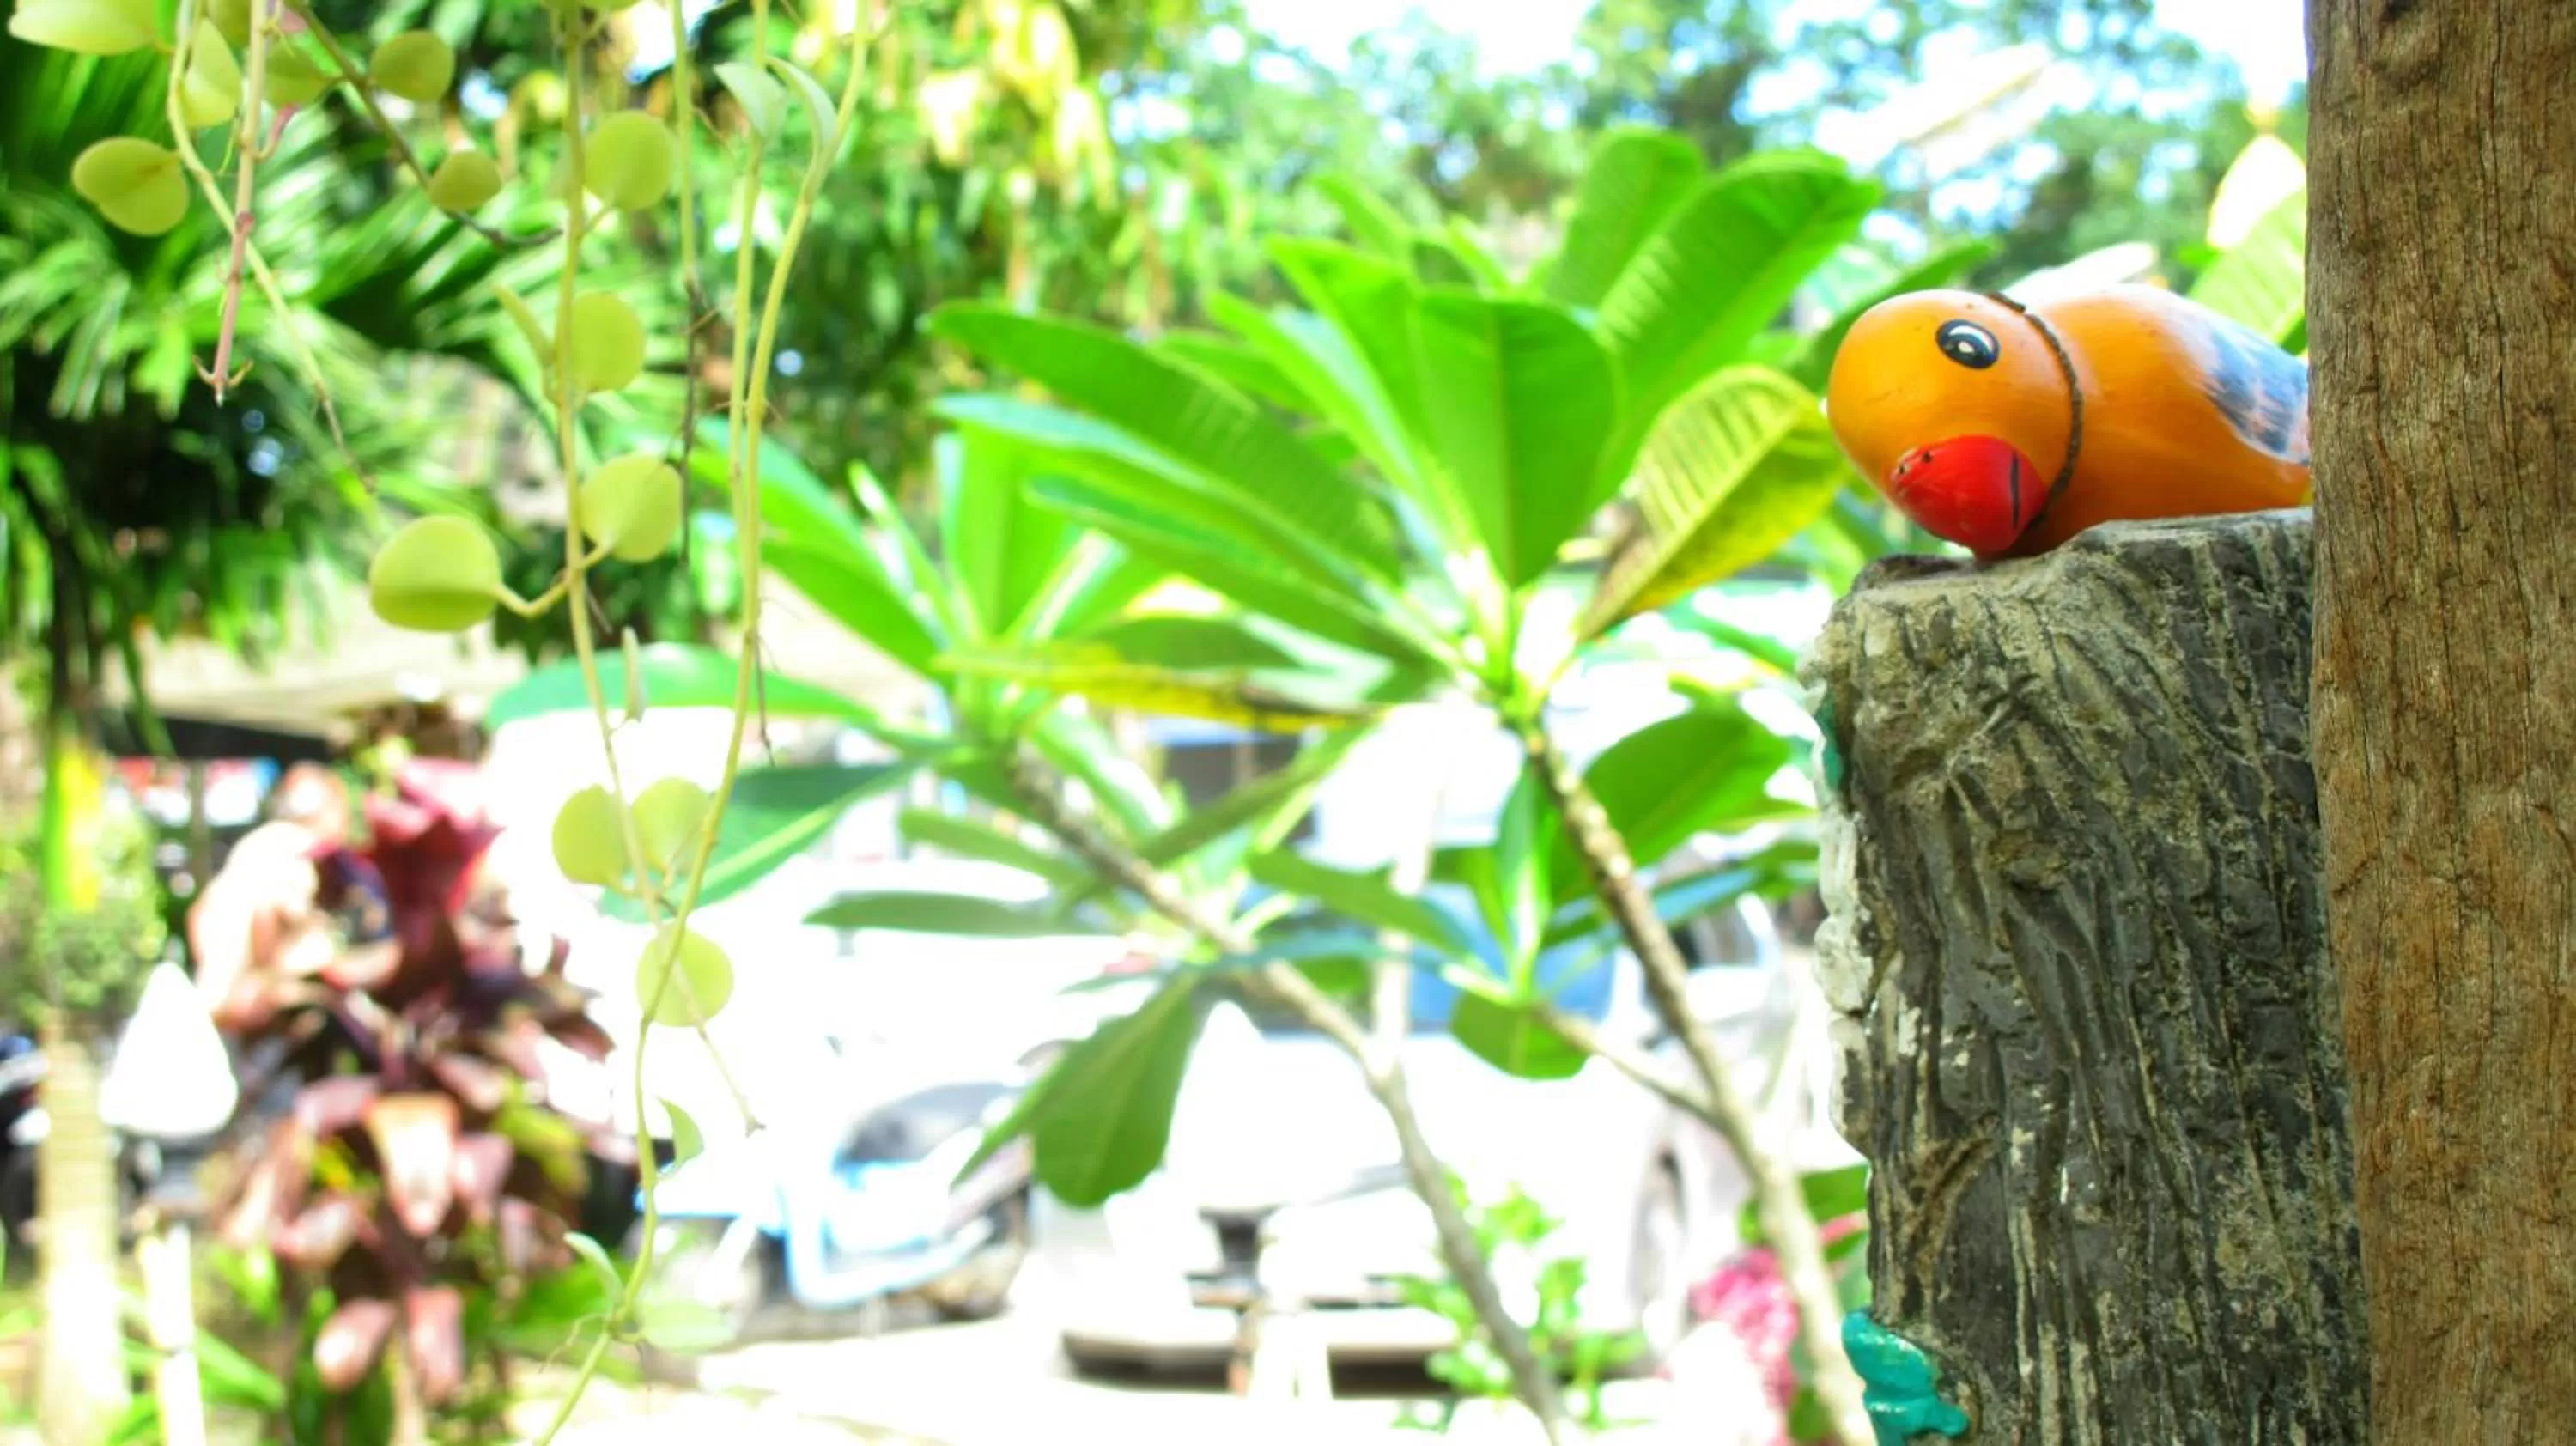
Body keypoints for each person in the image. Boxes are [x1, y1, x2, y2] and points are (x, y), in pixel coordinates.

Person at [184, 762, 352, 1034]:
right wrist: (260, 977)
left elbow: (200, 912)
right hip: (242, 994)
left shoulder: (261, 841)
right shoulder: (301, 849)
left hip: (221, 995)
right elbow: (269, 910)